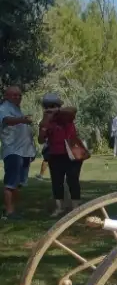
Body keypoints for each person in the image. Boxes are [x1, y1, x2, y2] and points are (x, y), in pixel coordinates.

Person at [39, 104, 84, 216]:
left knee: (73, 180)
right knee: (56, 182)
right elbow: (41, 140)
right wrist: (44, 125)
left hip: (71, 154)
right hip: (55, 155)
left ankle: (75, 207)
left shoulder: (66, 117)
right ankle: (59, 207)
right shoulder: (47, 123)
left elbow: (73, 109)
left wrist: (55, 111)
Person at [0, 86, 34, 220]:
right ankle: (9, 211)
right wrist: (23, 120)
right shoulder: (4, 108)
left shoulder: (17, 110)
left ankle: (13, 210)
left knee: (18, 183)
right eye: (14, 95)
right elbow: (7, 120)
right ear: (6, 96)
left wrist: (31, 151)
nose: (18, 97)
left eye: (19, 95)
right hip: (13, 151)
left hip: (24, 152)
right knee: (11, 183)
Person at [35, 93, 61, 181]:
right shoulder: (44, 121)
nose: (50, 109)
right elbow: (41, 140)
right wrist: (44, 126)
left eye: (53, 106)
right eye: (48, 107)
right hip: (52, 149)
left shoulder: (64, 117)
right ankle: (41, 175)